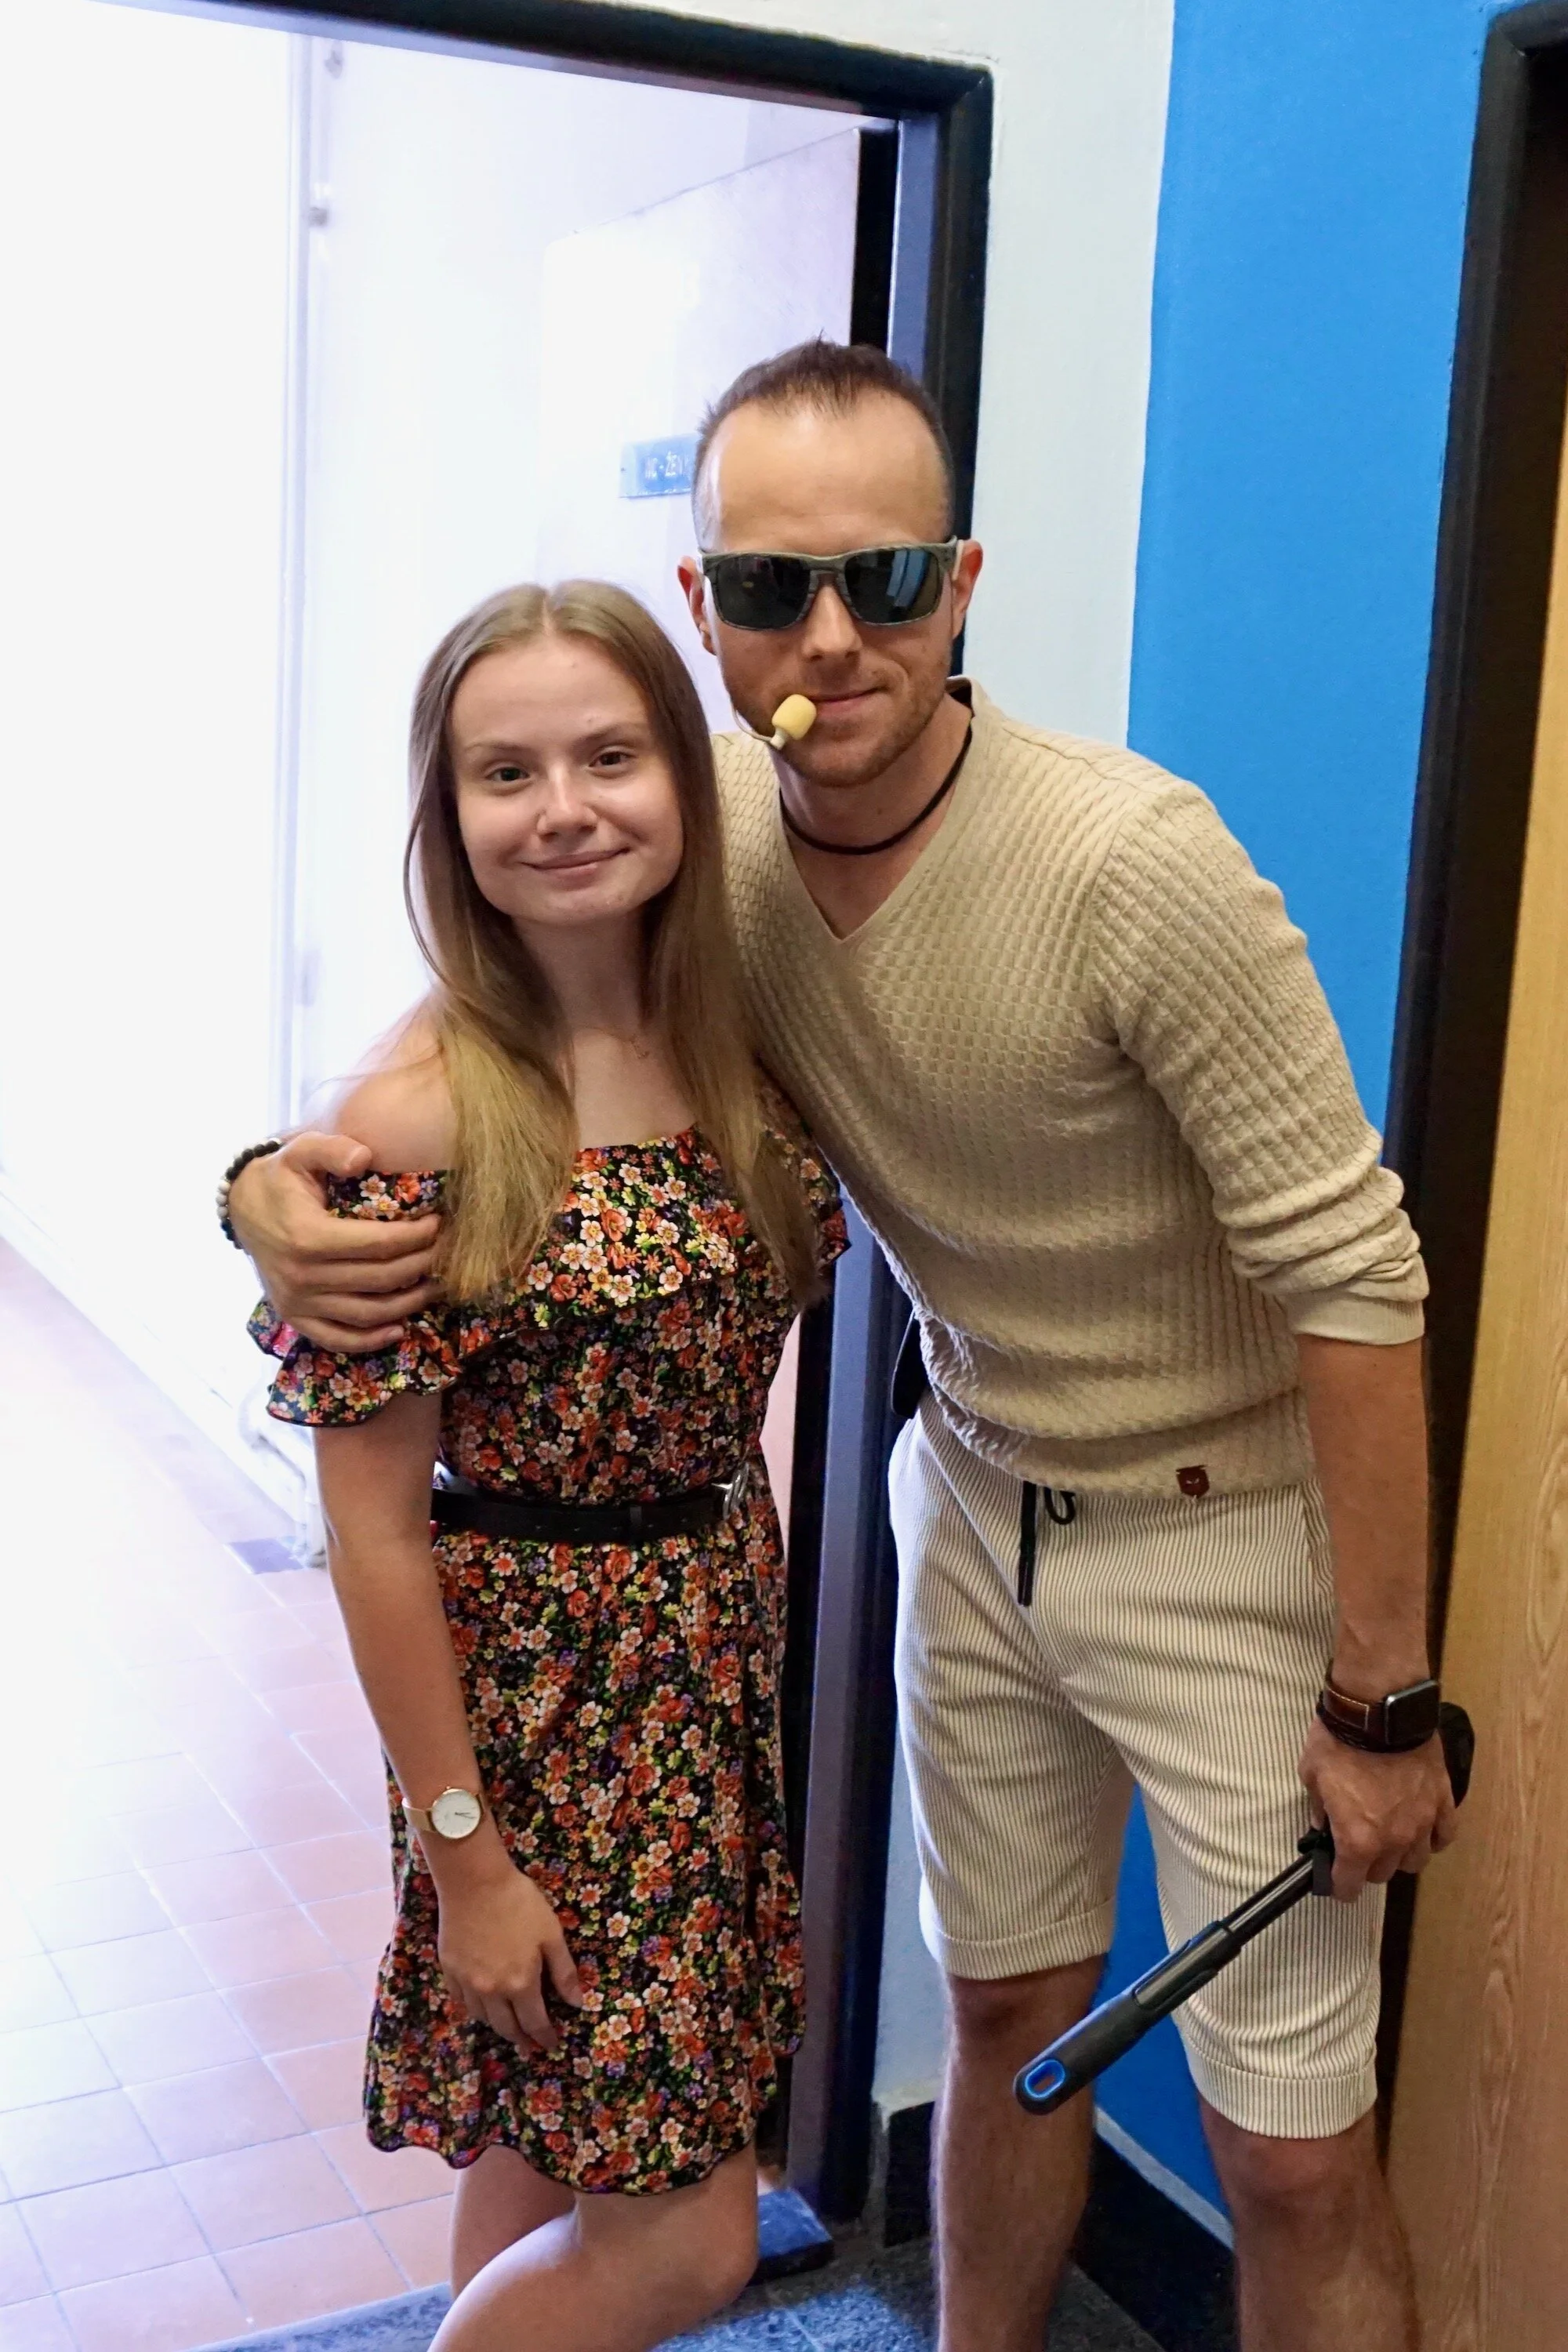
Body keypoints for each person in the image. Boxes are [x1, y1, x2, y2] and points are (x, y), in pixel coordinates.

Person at [225, 343, 1453, 2352]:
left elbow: (1354, 1272)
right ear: (704, 607)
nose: (828, 639)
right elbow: (491, 983)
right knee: (992, 2017)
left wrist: (1382, 1696)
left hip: (1214, 1532)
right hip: (954, 1507)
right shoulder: (700, 806)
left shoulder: (1125, 862)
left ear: (957, 585)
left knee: (1295, 2156)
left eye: (882, 580)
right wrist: (275, 1179)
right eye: (770, 585)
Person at [240, 578, 844, 2352]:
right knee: (685, 2244)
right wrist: (467, 1865)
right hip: (535, 1723)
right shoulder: (423, 1112)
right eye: (506, 773)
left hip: (705, 1668)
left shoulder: (736, 1035)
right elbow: (370, 1533)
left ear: (686, 782)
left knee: (540, 2129)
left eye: (609, 756)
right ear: (451, 816)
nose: (564, 808)